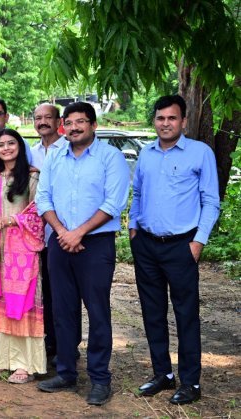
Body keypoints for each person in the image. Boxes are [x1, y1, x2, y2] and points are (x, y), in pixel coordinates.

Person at [35, 102, 129, 405]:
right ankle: (66, 371)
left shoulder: (110, 157)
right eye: (70, 123)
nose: (74, 128)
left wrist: (79, 232)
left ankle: (100, 378)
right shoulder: (55, 157)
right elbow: (43, 198)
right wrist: (63, 231)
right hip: (59, 243)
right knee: (62, 310)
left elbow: (114, 202)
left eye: (81, 122)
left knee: (98, 310)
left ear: (93, 125)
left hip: (96, 244)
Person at [129, 95, 220, 405]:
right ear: (154, 121)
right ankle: (163, 375)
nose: (165, 123)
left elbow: (211, 201)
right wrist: (133, 228)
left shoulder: (200, 153)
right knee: (152, 313)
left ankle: (191, 382)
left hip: (182, 246)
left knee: (186, 315)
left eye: (171, 118)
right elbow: (138, 192)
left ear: (183, 121)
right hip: (147, 245)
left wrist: (198, 242)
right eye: (160, 118)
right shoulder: (146, 154)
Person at [0, 128, 46, 384]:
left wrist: (12, 219)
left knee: (23, 305)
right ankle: (0, 362)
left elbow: (39, 210)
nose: (6, 148)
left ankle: (25, 365)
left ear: (20, 146)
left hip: (21, 250)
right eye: (1, 144)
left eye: (11, 143)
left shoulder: (33, 175)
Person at [30, 103, 72, 362]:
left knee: (61, 295)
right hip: (32, 237)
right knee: (39, 293)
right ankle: (44, 344)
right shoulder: (29, 152)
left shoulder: (68, 149)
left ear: (59, 121)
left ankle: (64, 347)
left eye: (48, 117)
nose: (42, 122)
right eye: (38, 118)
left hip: (61, 235)